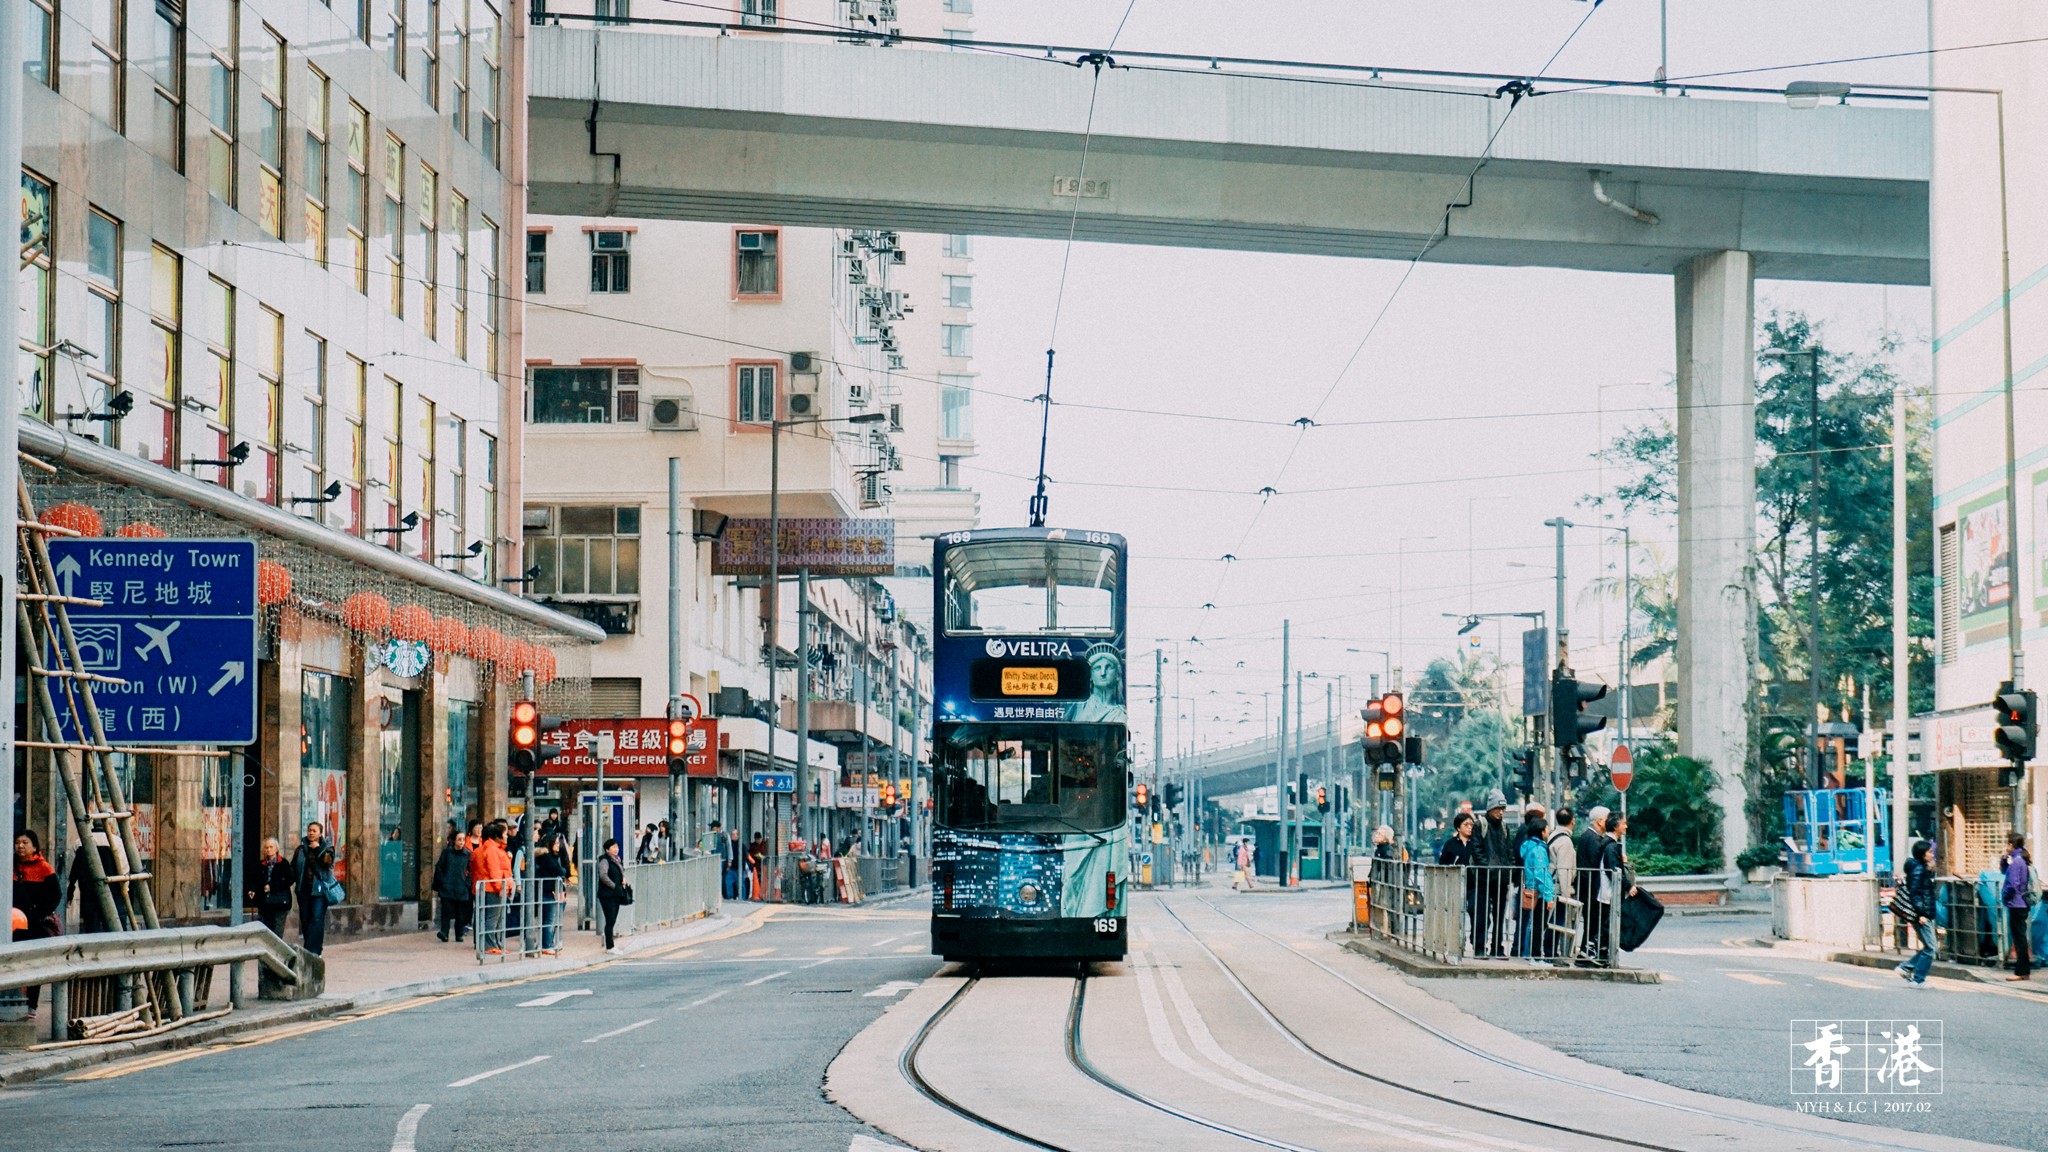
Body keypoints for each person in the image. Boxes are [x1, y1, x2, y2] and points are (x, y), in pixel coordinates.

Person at [12, 831, 60, 1010]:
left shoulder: (44, 868)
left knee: (33, 965)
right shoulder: (9, 865)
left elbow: (55, 895)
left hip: (34, 926)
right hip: (12, 925)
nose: (20, 846)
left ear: (34, 847)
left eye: (25, 842)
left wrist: (39, 914)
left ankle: (32, 1005)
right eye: (17, 842)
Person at [1471, 790, 1516, 957]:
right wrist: (1486, 866)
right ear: (1490, 808)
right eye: (1498, 808)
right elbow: (1476, 849)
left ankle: (1497, 947)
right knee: (1482, 914)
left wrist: (1509, 867)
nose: (1501, 812)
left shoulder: (1504, 827)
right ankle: (1480, 947)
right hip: (1484, 877)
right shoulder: (1480, 824)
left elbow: (1509, 849)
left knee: (1499, 915)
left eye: (1503, 809)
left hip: (1501, 877)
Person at [1895, 839, 1938, 985]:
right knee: (1931, 948)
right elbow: (1916, 893)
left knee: (1929, 947)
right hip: (1922, 914)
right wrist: (1921, 914)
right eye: (1930, 852)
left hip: (1924, 912)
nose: (1932, 855)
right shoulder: (1918, 869)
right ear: (1922, 854)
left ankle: (1907, 968)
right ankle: (1918, 978)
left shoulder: (1919, 868)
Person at [292, 822, 338, 955]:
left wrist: (318, 849)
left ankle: (314, 951)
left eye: (314, 831)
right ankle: (309, 948)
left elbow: (327, 862)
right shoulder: (300, 849)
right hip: (303, 890)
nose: (311, 833)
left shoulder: (328, 848)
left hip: (319, 891)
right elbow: (294, 867)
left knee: (316, 920)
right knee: (305, 920)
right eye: (309, 830)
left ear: (320, 833)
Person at [1516, 806, 1556, 958]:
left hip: (1531, 889)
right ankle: (1534, 954)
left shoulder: (1528, 847)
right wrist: (1548, 896)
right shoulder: (1539, 850)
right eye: (1547, 829)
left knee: (1531, 924)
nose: (1548, 832)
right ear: (1541, 832)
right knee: (1538, 924)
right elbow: (1542, 874)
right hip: (1538, 892)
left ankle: (1529, 953)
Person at [470, 821, 513, 954]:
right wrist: (502, 887)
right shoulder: (493, 850)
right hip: (494, 889)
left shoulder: (487, 849)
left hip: (488, 888)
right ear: (497, 836)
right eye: (505, 833)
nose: (507, 836)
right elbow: (495, 871)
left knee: (489, 917)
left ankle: (493, 944)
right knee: (493, 918)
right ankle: (490, 946)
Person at [532, 811, 570, 955]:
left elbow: (562, 869)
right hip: (548, 891)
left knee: (551, 919)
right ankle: (546, 945)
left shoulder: (552, 855)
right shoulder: (547, 857)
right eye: (556, 844)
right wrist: (562, 871)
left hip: (553, 891)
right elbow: (558, 870)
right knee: (548, 920)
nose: (558, 846)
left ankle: (548, 943)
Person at [65, 835, 119, 933]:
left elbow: (71, 869)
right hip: (111, 891)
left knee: (91, 927)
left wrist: (70, 889)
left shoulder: (79, 842)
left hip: (88, 892)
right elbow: (123, 867)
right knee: (113, 927)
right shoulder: (115, 841)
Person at [2000, 832, 2034, 981]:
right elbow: (2004, 871)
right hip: (2021, 903)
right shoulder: (2019, 860)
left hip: (2016, 903)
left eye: (2007, 844)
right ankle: (2023, 970)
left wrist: (2005, 896)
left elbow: (2012, 884)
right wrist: (2003, 859)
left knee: (2019, 938)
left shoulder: (2017, 861)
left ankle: (2021, 971)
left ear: (2011, 845)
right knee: (2020, 937)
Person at [249, 838, 297, 939]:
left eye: (271, 847)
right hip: (265, 903)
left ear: (276, 849)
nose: (269, 850)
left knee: (277, 933)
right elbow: (255, 880)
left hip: (280, 903)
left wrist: (272, 887)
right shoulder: (260, 865)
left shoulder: (283, 863)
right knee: (265, 932)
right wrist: (252, 890)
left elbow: (289, 879)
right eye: (266, 847)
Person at [1066, 644, 1127, 723]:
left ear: (1118, 675)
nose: (1103, 673)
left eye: (1109, 667)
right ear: (1090, 676)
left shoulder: (1122, 714)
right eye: (1097, 668)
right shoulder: (1078, 705)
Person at [1547, 808, 1579, 954]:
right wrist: (1567, 896)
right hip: (1559, 888)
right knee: (1556, 923)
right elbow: (1564, 871)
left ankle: (1549, 951)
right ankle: (1551, 952)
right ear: (1572, 821)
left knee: (1551, 922)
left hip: (1551, 884)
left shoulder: (1552, 835)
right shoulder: (1565, 842)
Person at [432, 831, 473, 943]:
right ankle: (444, 933)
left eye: (463, 839)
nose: (461, 842)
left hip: (461, 887)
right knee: (446, 911)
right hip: (448, 886)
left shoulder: (467, 854)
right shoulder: (447, 852)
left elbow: (471, 870)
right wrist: (443, 880)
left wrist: (467, 882)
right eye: (459, 839)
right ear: (454, 840)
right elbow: (439, 867)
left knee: (460, 913)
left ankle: (458, 934)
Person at [595, 837, 628, 951]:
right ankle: (610, 946)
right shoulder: (604, 860)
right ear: (607, 849)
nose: (616, 849)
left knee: (612, 919)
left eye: (617, 847)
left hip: (616, 894)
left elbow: (620, 872)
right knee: (610, 920)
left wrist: (623, 880)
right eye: (613, 847)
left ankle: (611, 945)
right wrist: (614, 885)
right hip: (607, 894)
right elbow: (603, 875)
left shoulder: (617, 859)